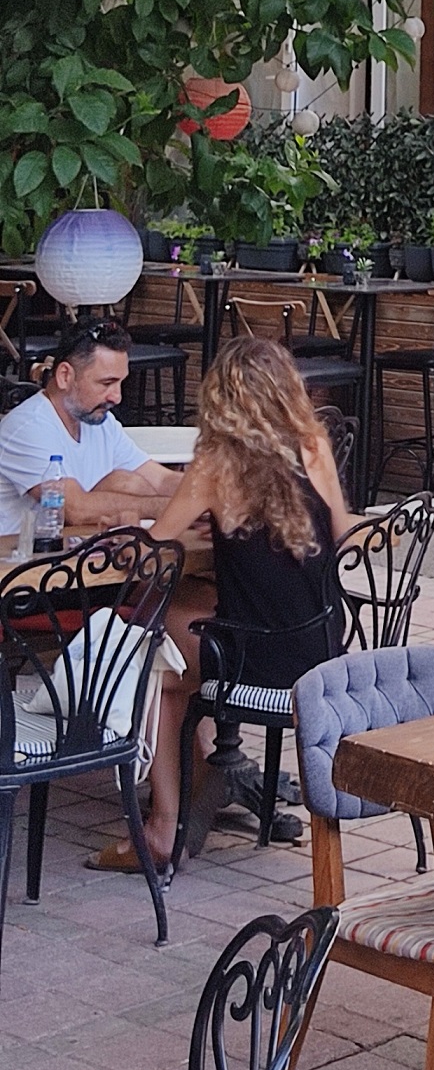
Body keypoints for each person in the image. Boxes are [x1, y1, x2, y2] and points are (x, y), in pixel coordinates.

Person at [91, 334, 359, 874]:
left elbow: (154, 553)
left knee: (154, 667)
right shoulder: (313, 445)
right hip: (322, 646)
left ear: (222, 397)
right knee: (180, 615)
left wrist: (123, 535)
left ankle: (163, 827)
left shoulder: (216, 464)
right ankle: (210, 770)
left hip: (256, 660)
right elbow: (344, 533)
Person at [0, 319, 183, 541]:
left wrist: (208, 499)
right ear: (65, 376)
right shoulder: (27, 428)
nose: (117, 397)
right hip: (21, 559)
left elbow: (160, 480)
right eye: (106, 383)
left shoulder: (101, 421)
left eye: (120, 383)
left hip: (78, 552)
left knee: (127, 482)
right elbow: (76, 509)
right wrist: (165, 508)